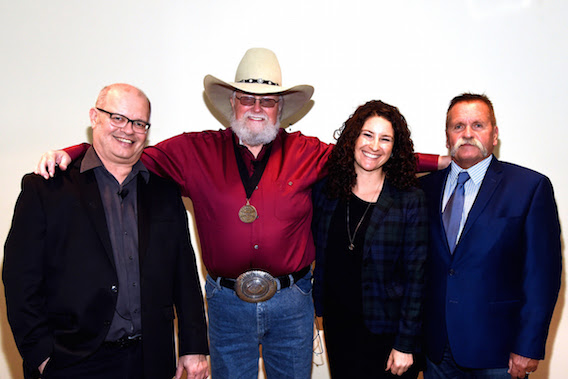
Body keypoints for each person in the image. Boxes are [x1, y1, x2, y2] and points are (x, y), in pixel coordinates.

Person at [34, 48, 442, 378]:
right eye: (247, 98)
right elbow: (127, 149)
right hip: (226, 304)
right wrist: (70, 154)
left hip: (293, 302)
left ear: (281, 108)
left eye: (268, 101)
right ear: (232, 103)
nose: (257, 108)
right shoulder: (193, 150)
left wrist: (445, 162)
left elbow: (367, 152)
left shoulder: (308, 152)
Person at [3, 83, 209, 379]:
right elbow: (19, 278)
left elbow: (185, 275)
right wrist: (41, 355)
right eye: (117, 117)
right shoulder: (47, 188)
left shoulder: (165, 193)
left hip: (150, 360)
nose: (128, 130)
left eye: (139, 123)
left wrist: (193, 347)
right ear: (94, 117)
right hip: (71, 362)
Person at [420, 93, 561, 379]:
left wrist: (529, 345)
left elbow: (542, 276)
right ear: (447, 137)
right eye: (458, 126)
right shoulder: (423, 190)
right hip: (436, 350)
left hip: (500, 353)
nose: (468, 134)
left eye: (478, 125)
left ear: (494, 134)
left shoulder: (529, 187)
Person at [311, 100, 427, 378]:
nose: (374, 146)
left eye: (385, 139)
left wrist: (405, 343)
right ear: (353, 137)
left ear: (394, 148)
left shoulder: (410, 199)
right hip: (339, 325)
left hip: (388, 333)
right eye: (367, 135)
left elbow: (417, 276)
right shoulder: (327, 191)